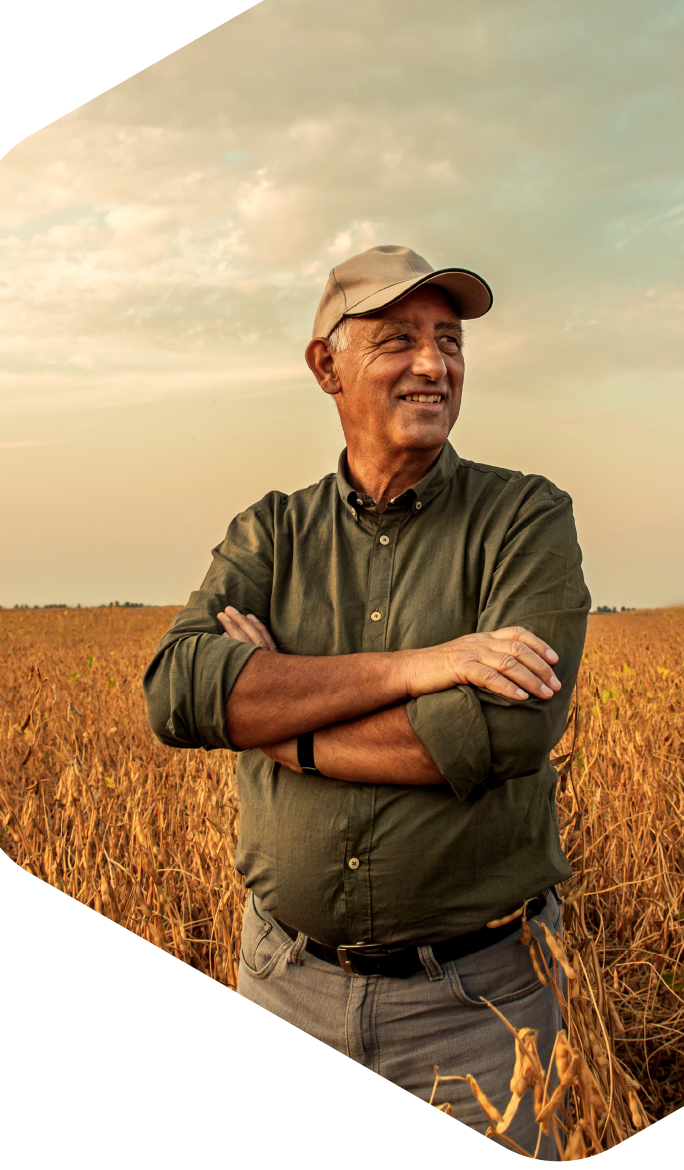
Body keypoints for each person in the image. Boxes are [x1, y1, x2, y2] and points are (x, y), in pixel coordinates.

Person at [143, 244, 590, 1158]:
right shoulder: (271, 531)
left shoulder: (526, 518)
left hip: (477, 1008)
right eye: (398, 340)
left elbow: (503, 728)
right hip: (283, 982)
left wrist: (285, 731)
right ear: (326, 367)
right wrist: (422, 665)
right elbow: (179, 691)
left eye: (449, 340)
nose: (435, 364)